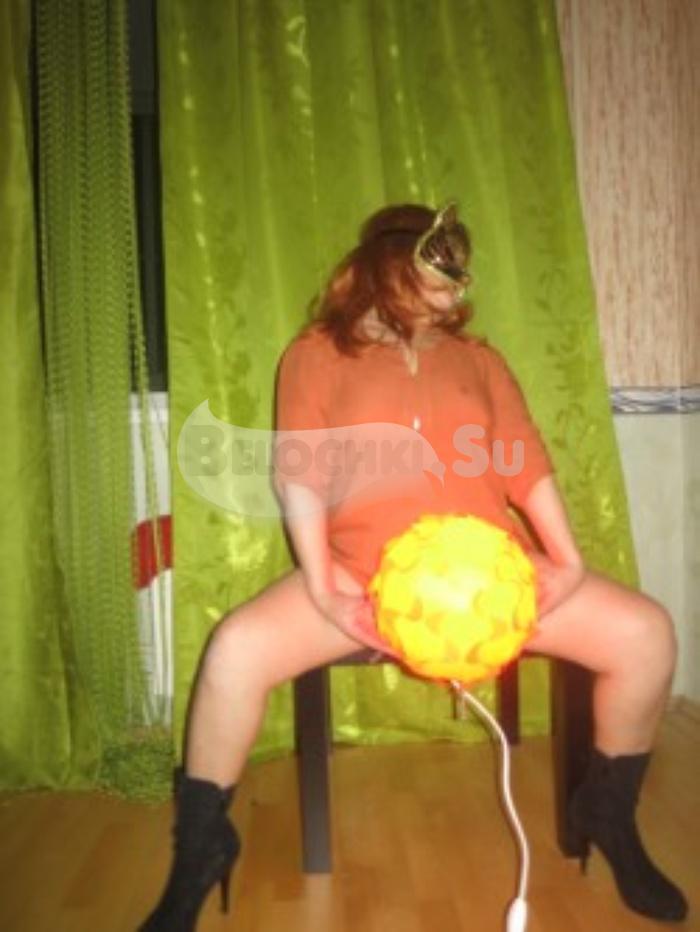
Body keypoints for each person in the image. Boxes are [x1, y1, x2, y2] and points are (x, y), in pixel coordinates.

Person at [138, 204, 688, 930]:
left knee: (645, 634)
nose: (456, 292)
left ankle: (609, 814)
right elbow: (300, 476)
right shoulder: (313, 354)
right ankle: (201, 851)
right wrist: (322, 589)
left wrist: (570, 564)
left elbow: (524, 462)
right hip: (361, 577)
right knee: (233, 651)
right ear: (389, 267)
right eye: (441, 273)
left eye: (459, 279)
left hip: (489, 578)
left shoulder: (480, 360)